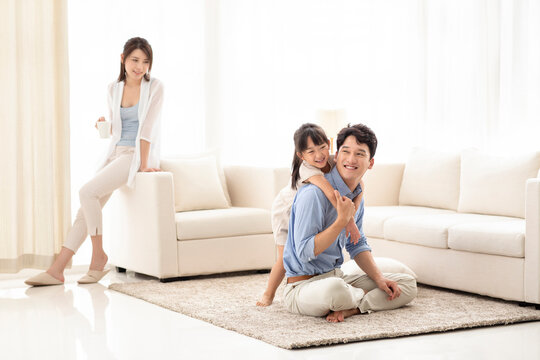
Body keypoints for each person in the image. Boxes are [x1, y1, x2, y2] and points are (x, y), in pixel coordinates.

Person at [25, 37, 164, 286]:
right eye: (134, 60)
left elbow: (147, 130)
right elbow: (118, 129)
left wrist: (143, 164)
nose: (139, 67)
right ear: (123, 59)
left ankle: (98, 257)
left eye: (145, 62)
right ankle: (57, 270)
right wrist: (104, 125)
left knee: (86, 192)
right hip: (115, 152)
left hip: (134, 155)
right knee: (86, 208)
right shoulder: (113, 88)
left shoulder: (155, 87)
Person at [282, 123, 417, 322]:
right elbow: (304, 252)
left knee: (407, 284)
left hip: (336, 276)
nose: (351, 160)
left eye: (360, 154)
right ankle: (353, 298)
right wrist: (341, 221)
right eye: (346, 152)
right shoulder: (313, 195)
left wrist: (379, 280)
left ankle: (354, 308)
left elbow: (356, 244)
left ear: (370, 163)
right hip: (302, 288)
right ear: (336, 156)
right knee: (335, 290)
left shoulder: (355, 196)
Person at [256, 123, 364, 306]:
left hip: (308, 209)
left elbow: (360, 186)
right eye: (311, 151)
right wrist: (349, 221)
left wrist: (355, 206)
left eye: (322, 147)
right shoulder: (308, 169)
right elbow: (331, 194)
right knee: (285, 256)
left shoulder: (332, 160)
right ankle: (269, 294)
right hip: (286, 208)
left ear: (329, 144)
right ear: (301, 155)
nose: (319, 155)